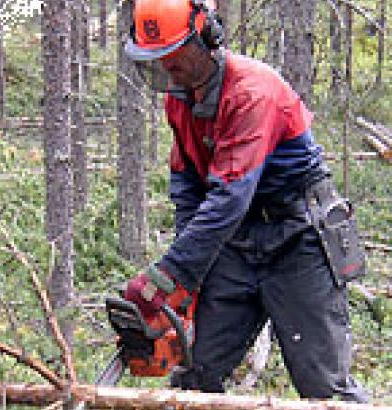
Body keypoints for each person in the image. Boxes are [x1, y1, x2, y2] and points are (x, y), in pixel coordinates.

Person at [122, 0, 368, 402]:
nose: (170, 68)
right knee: (195, 372)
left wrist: (170, 274)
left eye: (177, 55)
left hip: (298, 236)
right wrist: (189, 278)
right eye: (160, 58)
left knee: (324, 386)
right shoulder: (179, 99)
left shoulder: (253, 91)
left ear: (208, 36)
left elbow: (228, 198)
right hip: (237, 242)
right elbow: (188, 188)